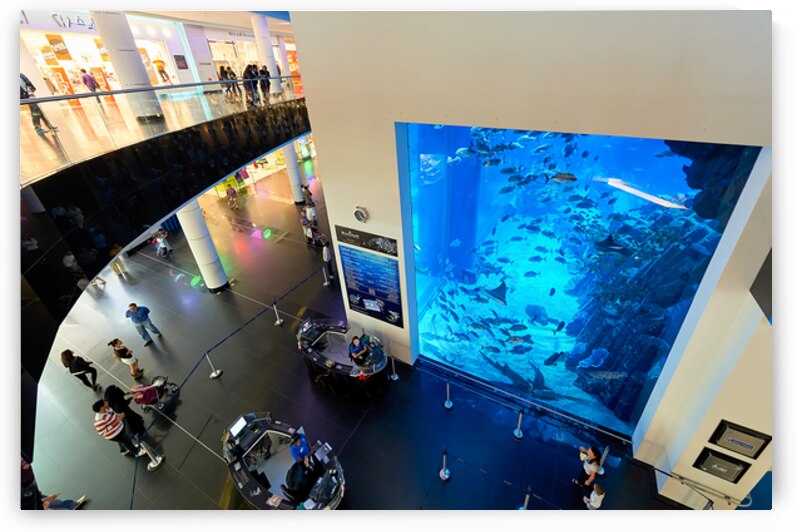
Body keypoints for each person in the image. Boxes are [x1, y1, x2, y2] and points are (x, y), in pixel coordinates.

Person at [21, 456, 86, 510]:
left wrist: (47, 499)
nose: (27, 464)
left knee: (48, 501)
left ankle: (71, 505)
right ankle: (71, 505)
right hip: (27, 496)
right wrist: (46, 502)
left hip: (29, 489)